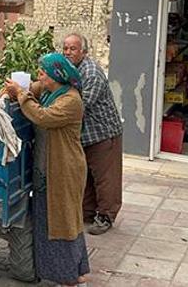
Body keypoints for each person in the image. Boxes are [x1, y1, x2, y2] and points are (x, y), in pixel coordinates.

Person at [4, 53, 90, 287]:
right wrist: (12, 90)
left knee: (62, 222)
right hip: (47, 169)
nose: (39, 75)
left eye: (43, 72)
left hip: (64, 170)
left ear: (56, 75)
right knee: (51, 220)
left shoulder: (71, 101)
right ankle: (77, 271)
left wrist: (21, 95)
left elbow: (42, 117)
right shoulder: (51, 91)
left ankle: (69, 278)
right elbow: (30, 88)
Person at [63, 33, 123, 235]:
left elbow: (81, 105)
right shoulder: (70, 69)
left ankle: (106, 216)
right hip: (86, 135)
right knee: (86, 175)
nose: (68, 52)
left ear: (84, 52)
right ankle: (87, 212)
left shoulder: (92, 73)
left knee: (106, 178)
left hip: (103, 133)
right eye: (66, 48)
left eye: (73, 48)